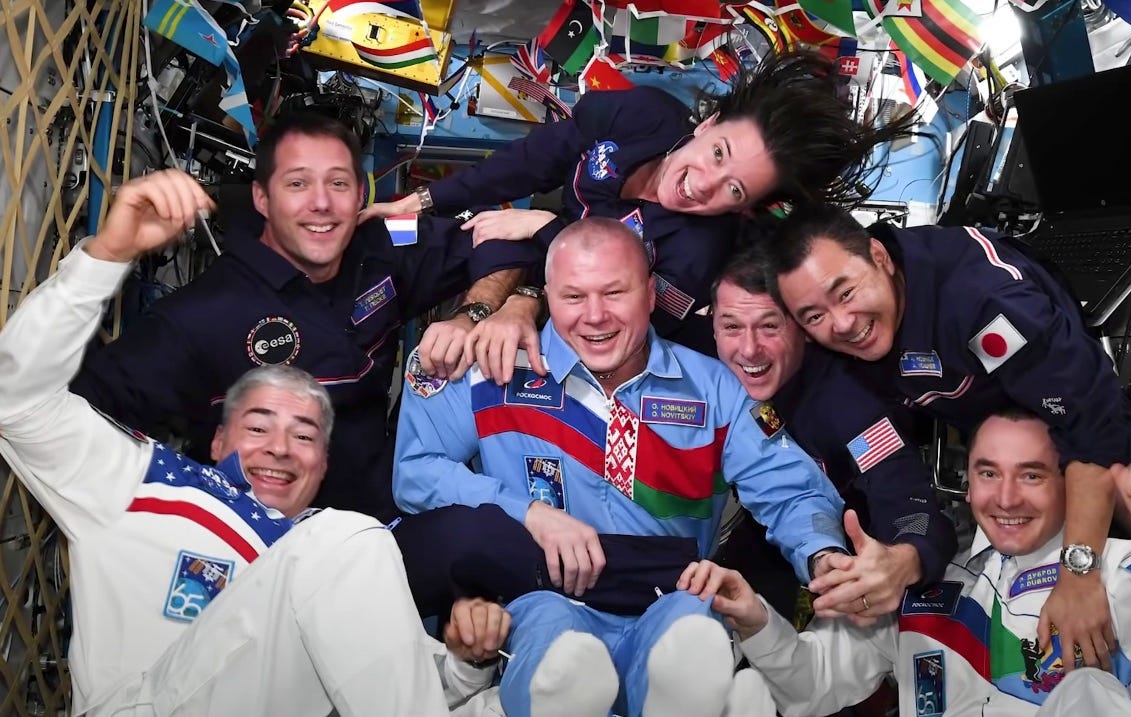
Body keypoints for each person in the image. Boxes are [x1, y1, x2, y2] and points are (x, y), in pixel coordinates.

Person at [0, 169, 511, 715]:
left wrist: (465, 662)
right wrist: (105, 255)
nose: (281, 447)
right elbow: (16, 401)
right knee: (352, 536)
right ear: (218, 441)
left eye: (305, 434)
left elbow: (402, 686)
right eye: (259, 425)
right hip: (143, 704)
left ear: (323, 464)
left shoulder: (330, 564)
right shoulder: (146, 486)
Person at [393, 217, 848, 717]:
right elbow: (416, 473)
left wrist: (822, 555)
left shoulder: (714, 388)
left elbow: (791, 490)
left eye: (614, 293)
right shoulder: (491, 368)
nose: (595, 316)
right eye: (573, 297)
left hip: (672, 600)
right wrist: (528, 513)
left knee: (695, 649)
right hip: (542, 603)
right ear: (545, 294)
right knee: (560, 669)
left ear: (651, 293)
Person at [70, 112, 534, 521]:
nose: (321, 203)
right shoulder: (203, 315)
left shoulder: (383, 243)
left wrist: (481, 312)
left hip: (381, 524)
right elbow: (73, 417)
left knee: (489, 542)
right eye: (297, 184)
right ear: (261, 199)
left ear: (359, 197)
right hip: (263, 545)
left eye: (338, 183)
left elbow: (503, 240)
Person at [768, 203, 1131, 671]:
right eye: (814, 316)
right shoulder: (840, 356)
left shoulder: (983, 301)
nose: (842, 323)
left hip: (1080, 426)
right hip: (991, 441)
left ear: (879, 255)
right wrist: (904, 554)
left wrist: (1078, 573)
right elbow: (892, 475)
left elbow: (1093, 427)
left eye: (847, 292)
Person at [361, 50, 913, 376]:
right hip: (529, 248)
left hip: (571, 314)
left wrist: (545, 229)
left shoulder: (698, 247)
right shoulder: (643, 115)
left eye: (734, 189)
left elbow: (616, 299)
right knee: (420, 236)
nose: (702, 185)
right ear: (707, 124)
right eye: (716, 154)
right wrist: (421, 200)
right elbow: (534, 159)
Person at [680, 408, 1131, 716]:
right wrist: (756, 620)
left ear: (1067, 482)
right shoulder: (923, 580)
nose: (1005, 498)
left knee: (1085, 690)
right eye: (988, 472)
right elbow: (814, 686)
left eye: (1031, 476)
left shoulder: (1123, 572)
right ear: (967, 477)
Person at [711, 245, 957, 618]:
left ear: (806, 331)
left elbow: (909, 503)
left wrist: (903, 561)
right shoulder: (691, 365)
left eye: (770, 326)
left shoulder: (850, 406)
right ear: (712, 324)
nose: (749, 349)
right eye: (731, 326)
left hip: (830, 548)